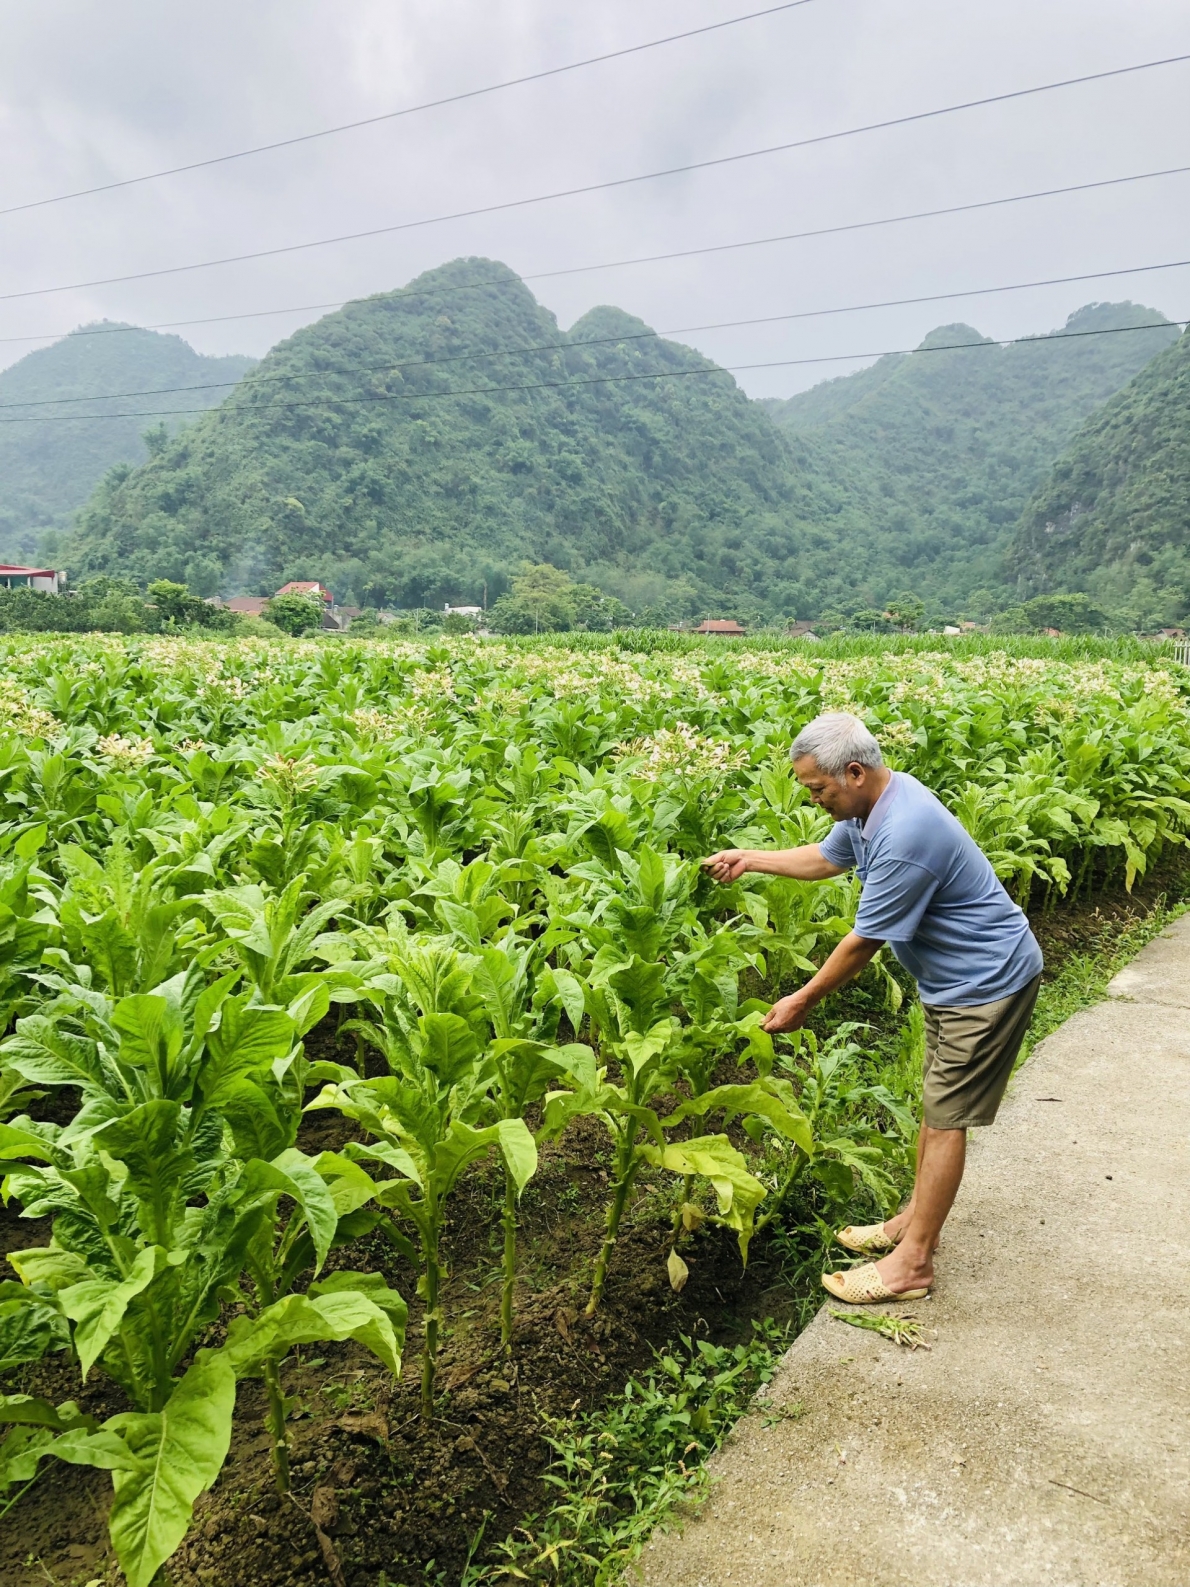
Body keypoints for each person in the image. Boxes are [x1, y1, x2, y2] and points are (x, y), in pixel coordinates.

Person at [702, 711, 1042, 1303]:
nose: (814, 800)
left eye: (816, 789)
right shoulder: (873, 804)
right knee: (937, 1109)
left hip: (985, 985)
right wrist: (750, 857)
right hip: (951, 981)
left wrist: (802, 998)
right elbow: (825, 859)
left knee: (944, 1121)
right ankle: (910, 1223)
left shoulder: (906, 831)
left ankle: (913, 1265)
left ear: (854, 772)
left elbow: (863, 942)